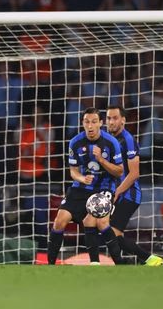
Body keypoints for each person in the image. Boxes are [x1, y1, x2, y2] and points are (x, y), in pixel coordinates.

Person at [47, 107, 124, 265]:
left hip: (104, 187)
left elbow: (119, 171)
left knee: (99, 222)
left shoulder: (111, 142)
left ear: (101, 123)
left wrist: (102, 161)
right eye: (87, 122)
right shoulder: (75, 142)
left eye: (94, 122)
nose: (90, 126)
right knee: (59, 221)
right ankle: (50, 265)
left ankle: (119, 263)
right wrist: (82, 178)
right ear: (82, 123)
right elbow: (73, 172)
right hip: (81, 187)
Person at [105, 105, 163, 266]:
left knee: (112, 233)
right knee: (107, 233)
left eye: (115, 118)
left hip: (128, 194)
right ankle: (125, 264)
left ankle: (149, 259)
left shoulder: (128, 140)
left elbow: (134, 173)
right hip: (115, 193)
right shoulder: (108, 140)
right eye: (109, 118)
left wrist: (117, 191)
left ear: (123, 120)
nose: (111, 122)